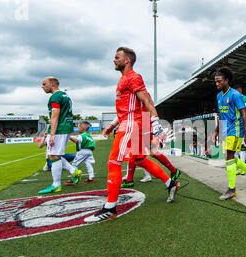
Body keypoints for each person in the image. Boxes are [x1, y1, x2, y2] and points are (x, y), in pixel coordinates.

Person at [84, 47, 180, 223]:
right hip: (131, 123)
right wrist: (112, 124)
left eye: (117, 57)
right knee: (138, 160)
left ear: (127, 60)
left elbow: (147, 100)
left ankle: (110, 207)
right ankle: (170, 183)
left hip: (131, 125)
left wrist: (155, 123)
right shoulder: (124, 79)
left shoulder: (133, 77)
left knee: (113, 162)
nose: (114, 60)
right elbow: (126, 107)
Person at [213, 67, 246, 200]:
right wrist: (216, 130)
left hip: (235, 129)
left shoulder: (235, 95)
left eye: (219, 81)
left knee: (229, 157)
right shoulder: (218, 96)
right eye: (215, 82)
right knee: (229, 156)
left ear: (226, 80)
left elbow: (244, 113)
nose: (217, 84)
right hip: (225, 129)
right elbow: (221, 114)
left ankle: (232, 189)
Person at [39, 77, 81, 194]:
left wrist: (52, 134)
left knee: (53, 155)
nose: (42, 86)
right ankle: (73, 171)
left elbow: (55, 115)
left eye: (44, 84)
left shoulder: (55, 96)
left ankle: (56, 184)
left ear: (52, 84)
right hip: (66, 127)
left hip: (59, 128)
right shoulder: (65, 95)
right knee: (53, 154)